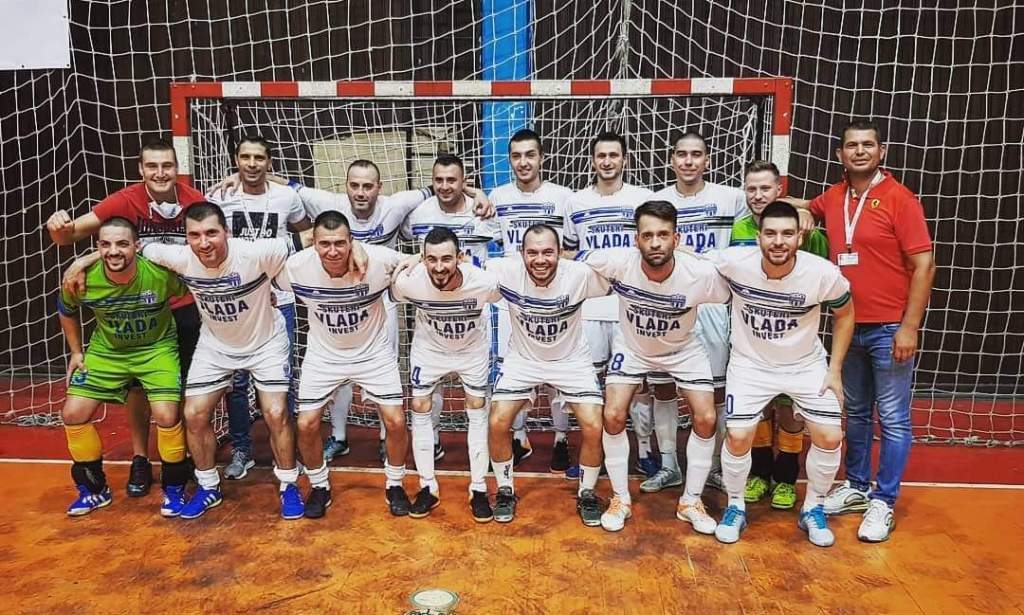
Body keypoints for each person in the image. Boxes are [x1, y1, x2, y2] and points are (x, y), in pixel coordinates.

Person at [47, 137, 205, 498]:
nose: (160, 173)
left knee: (176, 392)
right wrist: (64, 234)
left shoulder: (194, 201)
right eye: (152, 166)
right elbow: (71, 235)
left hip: (180, 304)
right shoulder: (125, 201)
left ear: (177, 168)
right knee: (135, 389)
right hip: (133, 305)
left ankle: (179, 459)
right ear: (141, 169)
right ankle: (139, 457)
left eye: (167, 166)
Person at [807, 120, 935, 542]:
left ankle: (884, 501)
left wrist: (909, 327)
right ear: (840, 154)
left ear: (881, 152)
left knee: (894, 418)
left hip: (889, 328)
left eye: (867, 145)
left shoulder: (901, 199)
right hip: (848, 327)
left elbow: (924, 265)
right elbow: (807, 206)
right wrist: (795, 209)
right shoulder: (834, 196)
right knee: (857, 413)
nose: (859, 151)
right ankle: (858, 487)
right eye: (851, 145)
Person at [140, 203, 306, 520]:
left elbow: (311, 238)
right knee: (194, 414)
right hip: (215, 345)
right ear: (186, 237)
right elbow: (138, 248)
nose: (204, 243)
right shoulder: (180, 257)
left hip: (265, 342)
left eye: (211, 233)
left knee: (275, 412)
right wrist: (82, 262)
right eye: (195, 235)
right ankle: (208, 486)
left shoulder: (257, 252)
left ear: (226, 232)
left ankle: (288, 484)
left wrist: (357, 251)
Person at [575, 201, 730, 533]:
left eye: (663, 235)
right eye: (647, 235)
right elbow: (572, 258)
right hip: (633, 348)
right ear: (636, 240)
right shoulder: (617, 262)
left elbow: (738, 288)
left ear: (677, 238)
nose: (655, 243)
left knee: (706, 417)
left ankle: (690, 501)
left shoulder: (700, 274)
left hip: (683, 349)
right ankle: (620, 499)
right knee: (612, 414)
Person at [712, 202, 855, 547]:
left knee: (830, 436)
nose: (778, 241)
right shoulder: (734, 262)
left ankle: (814, 508)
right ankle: (735, 506)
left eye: (787, 234)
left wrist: (835, 369)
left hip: (805, 365)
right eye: (771, 234)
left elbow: (846, 314)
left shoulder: (822, 273)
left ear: (799, 237)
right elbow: (688, 259)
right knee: (738, 435)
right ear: (758, 237)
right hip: (750, 364)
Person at [278, 211, 411, 518]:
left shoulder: (378, 260)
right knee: (306, 424)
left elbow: (417, 260)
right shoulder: (296, 267)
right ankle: (319, 485)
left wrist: (363, 249)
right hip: (324, 355)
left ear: (352, 241)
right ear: (313, 243)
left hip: (372, 353)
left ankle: (395, 483)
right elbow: (261, 273)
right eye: (325, 244)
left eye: (340, 243)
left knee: (396, 420)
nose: (333, 251)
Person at [56, 218, 190, 517]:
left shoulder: (159, 274)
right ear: (97, 247)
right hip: (108, 352)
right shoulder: (83, 278)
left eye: (122, 244)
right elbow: (65, 309)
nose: (113, 251)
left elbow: (195, 290)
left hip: (157, 349)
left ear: (137, 247)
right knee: (73, 413)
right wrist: (76, 352)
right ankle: (94, 490)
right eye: (105, 244)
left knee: (167, 415)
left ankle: (174, 489)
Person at [484, 225, 610, 525]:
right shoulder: (503, 271)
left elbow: (625, 270)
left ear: (560, 253)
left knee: (594, 424)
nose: (540, 260)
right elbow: (461, 265)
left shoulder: (579, 274)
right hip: (524, 359)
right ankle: (505, 489)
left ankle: (587, 492)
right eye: (532, 252)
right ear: (521, 254)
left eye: (547, 252)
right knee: (497, 420)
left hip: (571, 360)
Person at [645, 131, 748, 494]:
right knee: (662, 387)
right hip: (666, 307)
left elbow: (766, 210)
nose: (688, 161)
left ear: (707, 160)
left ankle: (715, 465)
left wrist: (803, 210)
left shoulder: (732, 198)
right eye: (682, 154)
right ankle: (669, 465)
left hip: (713, 307)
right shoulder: (656, 200)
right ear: (671, 160)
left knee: (716, 392)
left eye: (696, 154)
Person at [207, 135, 311, 480]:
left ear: (269, 162)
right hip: (236, 303)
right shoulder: (220, 198)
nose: (252, 164)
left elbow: (307, 233)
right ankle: (242, 448)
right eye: (245, 157)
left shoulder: (286, 197)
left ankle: (288, 450)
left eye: (259, 158)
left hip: (280, 302)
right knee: (237, 382)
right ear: (236, 160)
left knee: (283, 379)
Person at [730, 160, 829, 510]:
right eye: (751, 189)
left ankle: (786, 478)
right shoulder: (740, 228)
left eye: (765, 188)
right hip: (753, 337)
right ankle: (759, 474)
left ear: (779, 190)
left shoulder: (806, 229)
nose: (758, 195)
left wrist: (806, 215)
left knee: (789, 413)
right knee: (758, 411)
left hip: (793, 339)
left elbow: (822, 275)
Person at [563, 131, 658, 479]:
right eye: (601, 155)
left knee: (638, 383)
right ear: (592, 161)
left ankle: (645, 451)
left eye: (613, 155)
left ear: (625, 160)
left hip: (632, 305)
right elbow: (568, 252)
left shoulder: (643, 199)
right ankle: (592, 451)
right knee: (589, 383)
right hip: (590, 307)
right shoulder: (575, 202)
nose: (607, 161)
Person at [391, 228, 503, 521]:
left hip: (472, 350)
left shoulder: (483, 282)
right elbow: (387, 284)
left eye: (446, 259)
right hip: (429, 350)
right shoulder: (409, 281)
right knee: (419, 406)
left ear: (460, 257)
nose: (439, 267)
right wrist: (411, 260)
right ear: (423, 258)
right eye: (431, 259)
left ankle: (478, 488)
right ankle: (427, 486)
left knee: (477, 408)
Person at [488, 129, 575, 473]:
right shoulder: (497, 197)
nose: (523, 162)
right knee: (511, 368)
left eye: (530, 155)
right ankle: (519, 438)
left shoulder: (563, 197)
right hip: (513, 296)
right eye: (516, 156)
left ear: (541, 158)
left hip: (554, 295)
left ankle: (560, 439)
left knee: (556, 369)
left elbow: (572, 246)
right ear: (509, 160)